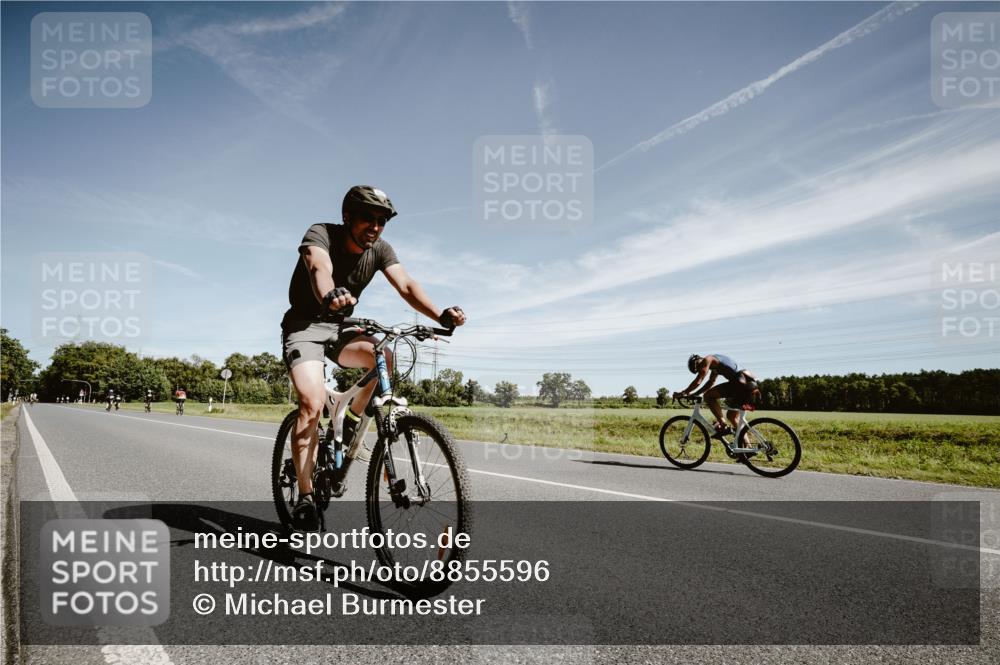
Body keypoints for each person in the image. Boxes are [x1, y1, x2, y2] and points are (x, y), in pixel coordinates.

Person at [281, 185, 466, 532]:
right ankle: (305, 498)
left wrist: (439, 315)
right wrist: (330, 293)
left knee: (383, 354)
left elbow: (407, 285)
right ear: (348, 216)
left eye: (382, 221)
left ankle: (351, 418)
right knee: (311, 402)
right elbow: (317, 265)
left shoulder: (380, 250)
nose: (376, 227)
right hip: (305, 325)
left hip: (342, 327)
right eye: (369, 218)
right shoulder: (321, 233)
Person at [675, 354, 760, 437]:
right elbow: (710, 383)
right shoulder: (715, 366)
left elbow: (699, 380)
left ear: (699, 359)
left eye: (698, 365)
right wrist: (695, 394)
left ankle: (723, 425)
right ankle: (746, 448)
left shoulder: (708, 359)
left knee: (708, 396)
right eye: (697, 369)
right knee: (732, 417)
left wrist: (683, 393)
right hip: (748, 384)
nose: (700, 368)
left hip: (740, 382)